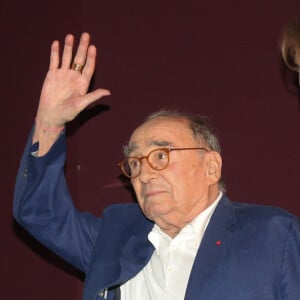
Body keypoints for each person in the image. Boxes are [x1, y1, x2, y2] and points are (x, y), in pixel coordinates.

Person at [13, 33, 300, 300]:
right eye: (135, 162)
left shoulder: (274, 236)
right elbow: (39, 211)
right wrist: (49, 122)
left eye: (161, 156)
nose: (144, 173)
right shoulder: (115, 239)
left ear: (211, 167)